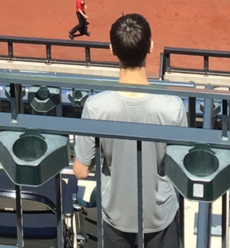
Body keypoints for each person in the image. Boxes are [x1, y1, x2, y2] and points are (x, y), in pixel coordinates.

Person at [73, 14, 188, 248]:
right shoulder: (173, 106)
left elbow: (81, 171)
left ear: (112, 49)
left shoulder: (96, 107)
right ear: (150, 47)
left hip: (116, 217)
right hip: (161, 217)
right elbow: (182, 168)